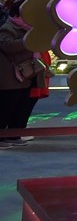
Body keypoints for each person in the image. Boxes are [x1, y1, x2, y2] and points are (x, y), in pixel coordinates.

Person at [0, 8, 41, 147]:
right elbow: (7, 46)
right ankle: (2, 136)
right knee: (7, 107)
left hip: (27, 75)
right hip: (11, 77)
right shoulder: (7, 28)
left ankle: (14, 134)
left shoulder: (28, 29)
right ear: (16, 16)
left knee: (22, 107)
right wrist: (27, 40)